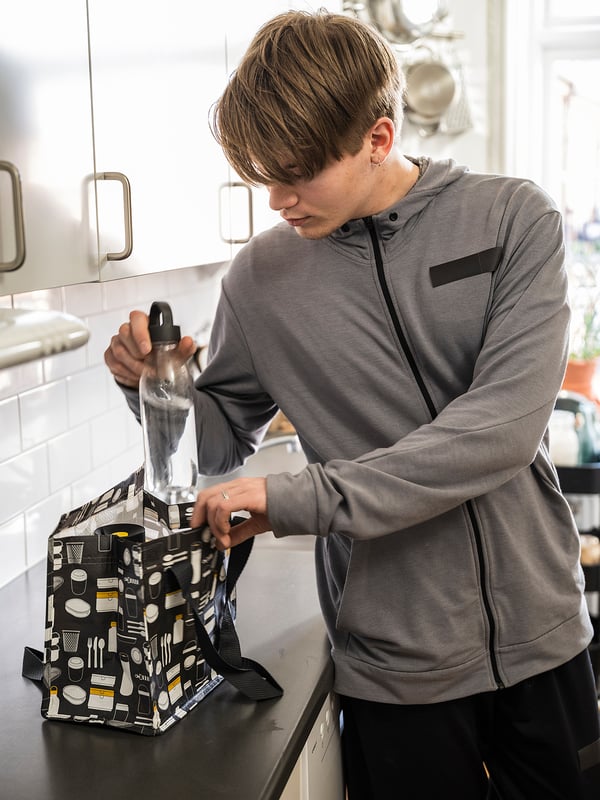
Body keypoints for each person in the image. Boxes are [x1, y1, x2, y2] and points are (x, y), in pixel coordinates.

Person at [105, 10, 600, 799]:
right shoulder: (261, 279)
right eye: (262, 177)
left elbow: (500, 431)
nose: (277, 201)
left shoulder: (513, 220)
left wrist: (300, 499)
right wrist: (151, 389)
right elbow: (217, 443)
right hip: (394, 666)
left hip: (541, 638)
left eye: (295, 175)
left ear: (376, 136)